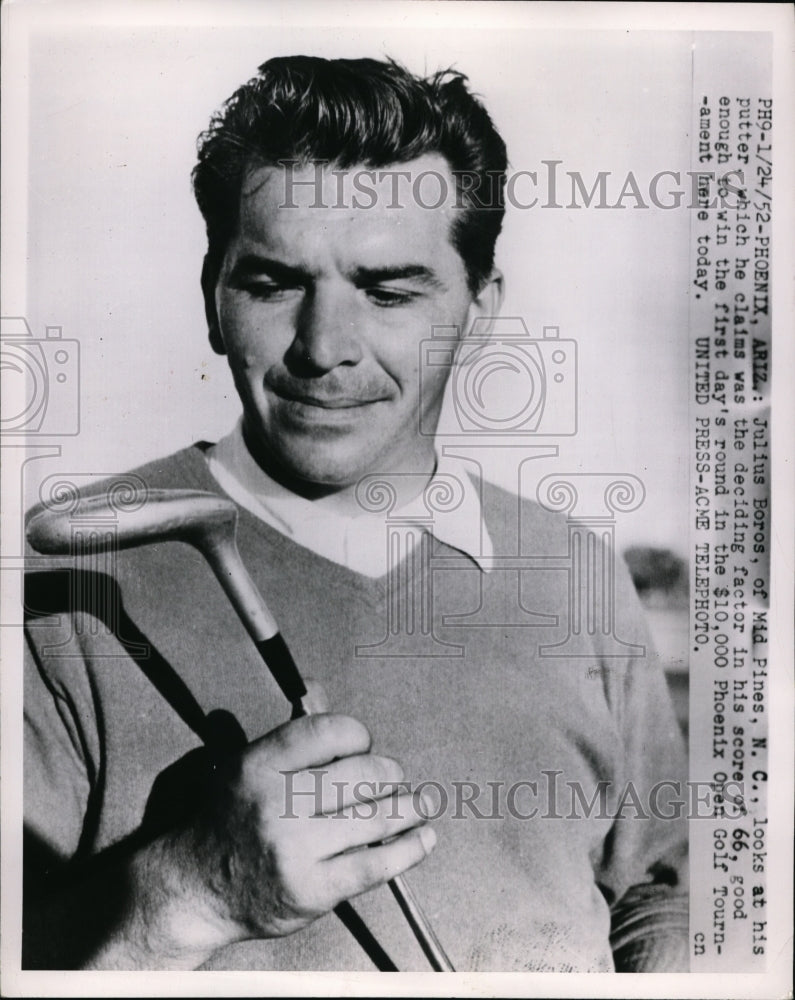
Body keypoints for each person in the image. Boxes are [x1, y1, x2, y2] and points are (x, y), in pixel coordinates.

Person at [23, 55, 687, 973]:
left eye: (387, 291)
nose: (324, 349)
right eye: (271, 284)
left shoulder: (571, 567)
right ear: (212, 300)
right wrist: (197, 886)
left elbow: (656, 887)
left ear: (478, 312)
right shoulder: (69, 591)